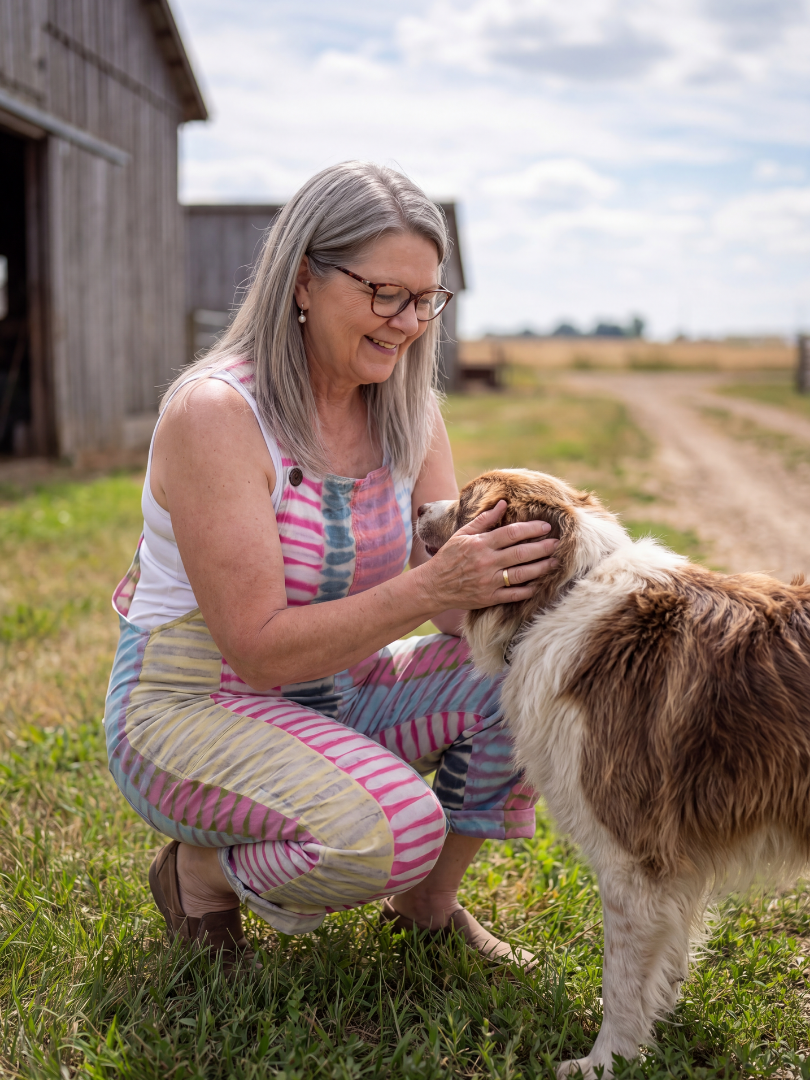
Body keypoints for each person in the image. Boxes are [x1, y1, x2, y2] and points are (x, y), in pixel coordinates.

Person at [104, 161, 559, 975]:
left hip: (332, 697)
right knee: (393, 829)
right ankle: (198, 873)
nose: (409, 321)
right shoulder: (219, 414)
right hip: (191, 709)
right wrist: (430, 586)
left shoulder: (409, 412)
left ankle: (427, 906)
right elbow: (260, 649)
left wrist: (510, 579)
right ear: (304, 279)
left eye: (426, 299)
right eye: (386, 293)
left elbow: (459, 616)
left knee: (530, 676)